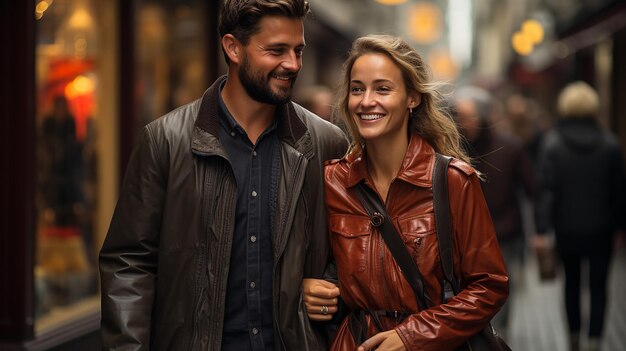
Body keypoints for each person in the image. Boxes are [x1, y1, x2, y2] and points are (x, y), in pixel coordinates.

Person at [99, 1, 348, 350]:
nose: (292, 64)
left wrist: (327, 284)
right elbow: (129, 265)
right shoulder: (165, 141)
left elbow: (352, 249)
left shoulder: (327, 143)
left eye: (298, 50)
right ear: (233, 47)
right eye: (276, 50)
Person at [303, 35, 509, 351]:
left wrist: (412, 336)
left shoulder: (452, 180)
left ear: (412, 98)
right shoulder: (333, 180)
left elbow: (489, 286)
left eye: (383, 89)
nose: (366, 100)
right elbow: (315, 266)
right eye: (357, 89)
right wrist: (309, 288)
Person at [533, 81, 626, 351]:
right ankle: (595, 340)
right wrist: (621, 226)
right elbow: (619, 191)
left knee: (571, 285)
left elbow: (547, 191)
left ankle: (573, 338)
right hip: (602, 229)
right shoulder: (610, 145)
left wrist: (541, 229)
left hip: (567, 229)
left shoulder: (552, 145)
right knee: (599, 287)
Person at [453, 86, 537, 338]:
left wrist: (539, 231)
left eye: (469, 117)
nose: (464, 123)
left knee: (499, 289)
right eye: (459, 117)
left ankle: (498, 336)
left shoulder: (510, 147)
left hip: (504, 233)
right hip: (464, 236)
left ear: (485, 117)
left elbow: (533, 188)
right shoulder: (453, 147)